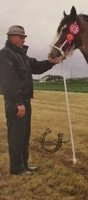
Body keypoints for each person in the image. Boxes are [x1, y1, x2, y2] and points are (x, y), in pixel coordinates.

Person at [0, 25, 62, 175]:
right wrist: (18, 103)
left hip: (25, 102)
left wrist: (52, 62)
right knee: (16, 135)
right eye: (21, 37)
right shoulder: (4, 55)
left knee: (24, 134)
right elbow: (9, 82)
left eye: (24, 37)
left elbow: (38, 67)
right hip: (16, 103)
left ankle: (24, 165)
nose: (23, 39)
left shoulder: (23, 56)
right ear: (11, 37)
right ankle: (16, 168)